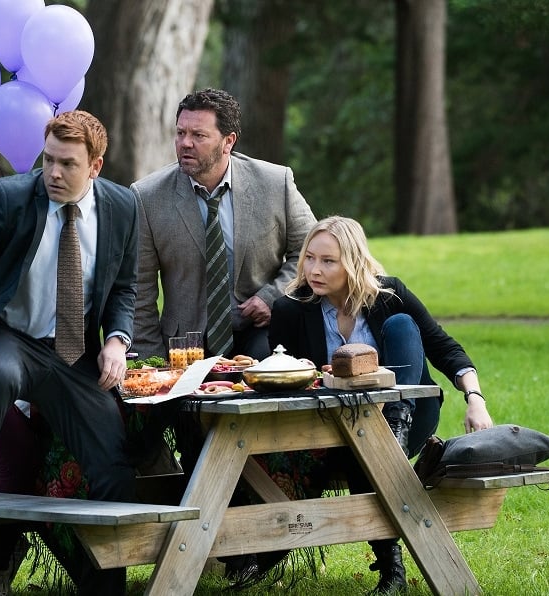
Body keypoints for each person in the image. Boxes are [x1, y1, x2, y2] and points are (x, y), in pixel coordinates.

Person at [0, 110, 138, 596]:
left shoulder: (123, 206)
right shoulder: (10, 197)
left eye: (68, 164)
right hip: (10, 337)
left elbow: (125, 287)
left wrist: (117, 341)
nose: (53, 173)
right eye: (48, 159)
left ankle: (104, 588)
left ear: (96, 166)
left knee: (113, 467)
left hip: (74, 355)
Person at [269, 215, 495, 594]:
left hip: (410, 416)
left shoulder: (390, 295)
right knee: (363, 439)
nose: (314, 270)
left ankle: (395, 426)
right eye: (309, 258)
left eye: (328, 261)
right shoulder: (291, 310)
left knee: (403, 325)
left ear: (353, 262)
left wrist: (475, 399)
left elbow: (443, 347)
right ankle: (392, 569)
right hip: (338, 423)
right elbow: (285, 376)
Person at [131, 87, 316, 362]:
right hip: (187, 343)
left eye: (198, 135)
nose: (185, 143)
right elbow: (139, 290)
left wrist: (273, 296)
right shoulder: (148, 197)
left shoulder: (275, 183)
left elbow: (312, 251)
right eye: (180, 133)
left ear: (228, 142)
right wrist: (153, 364)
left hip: (261, 330)